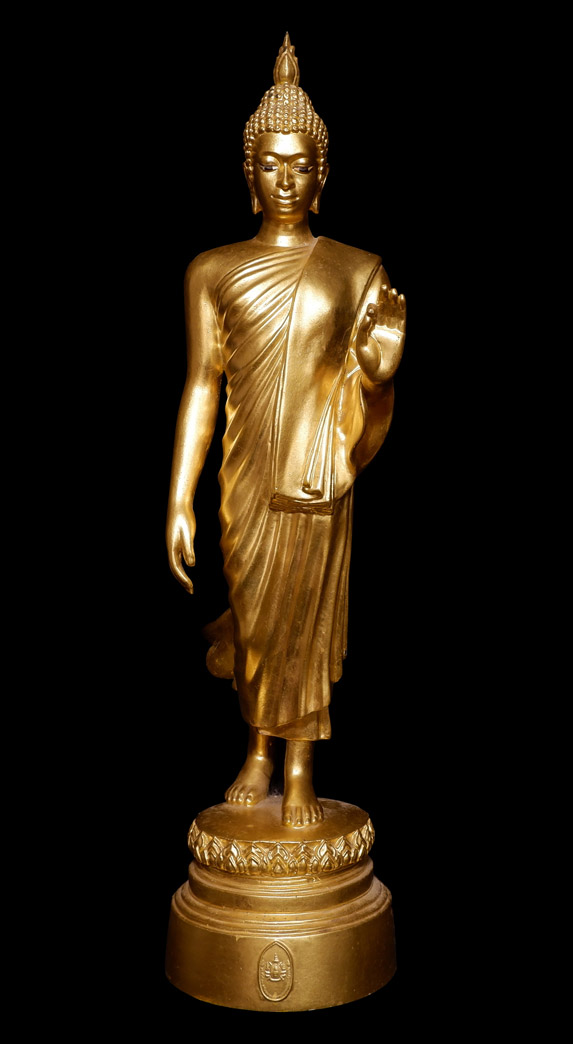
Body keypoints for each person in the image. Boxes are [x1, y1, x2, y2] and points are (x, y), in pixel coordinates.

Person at [166, 35, 406, 827]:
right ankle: (256, 751)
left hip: (315, 476)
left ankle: (296, 763)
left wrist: (378, 376)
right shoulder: (213, 271)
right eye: (269, 164)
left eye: (299, 165)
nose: (284, 179)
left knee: (301, 621)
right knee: (257, 618)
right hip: (246, 478)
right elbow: (201, 386)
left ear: (322, 173)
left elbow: (362, 401)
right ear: (248, 172)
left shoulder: (355, 270)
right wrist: (178, 498)